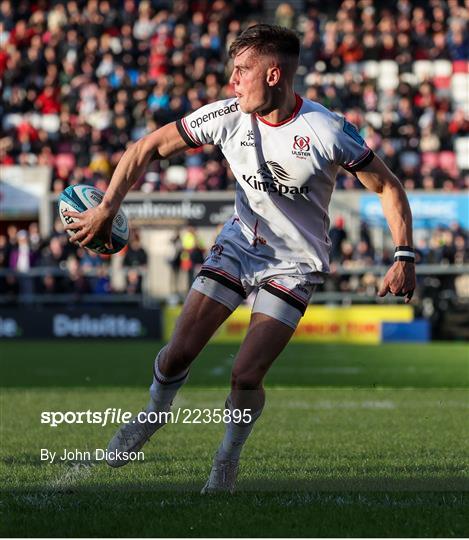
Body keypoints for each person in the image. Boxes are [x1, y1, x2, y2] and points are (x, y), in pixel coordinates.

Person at [63, 24, 416, 493]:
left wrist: (404, 254)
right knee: (177, 355)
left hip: (294, 265)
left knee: (245, 374)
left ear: (274, 74)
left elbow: (388, 185)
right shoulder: (228, 115)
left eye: (242, 71)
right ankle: (152, 415)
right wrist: (107, 207)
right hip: (238, 247)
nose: (233, 81)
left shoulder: (326, 130)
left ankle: (226, 463)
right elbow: (147, 147)